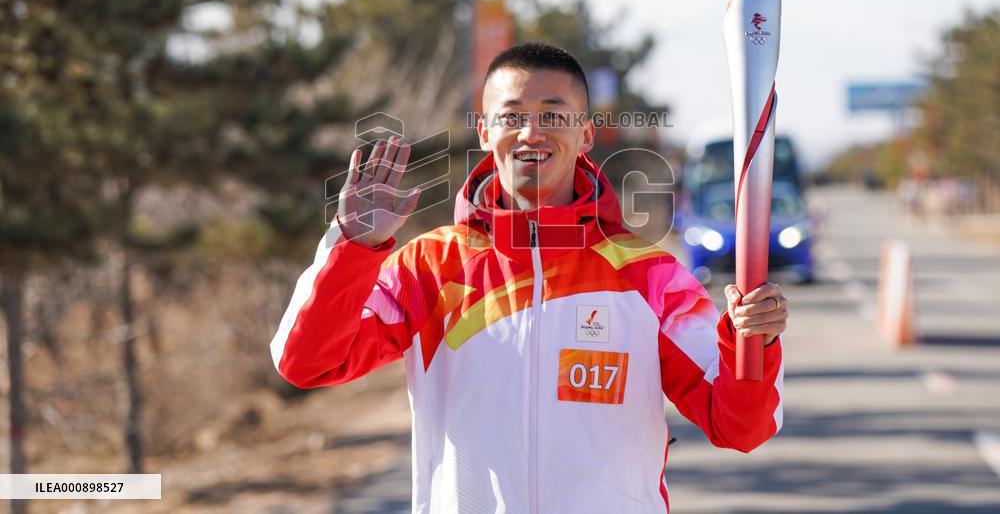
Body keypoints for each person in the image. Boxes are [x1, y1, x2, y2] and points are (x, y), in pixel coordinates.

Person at [270, 42, 788, 513]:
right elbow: (307, 363)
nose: (531, 133)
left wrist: (753, 342)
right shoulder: (429, 267)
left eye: (552, 115)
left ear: (586, 134)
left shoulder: (652, 279)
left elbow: (739, 426)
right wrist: (353, 248)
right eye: (512, 116)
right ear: (485, 131)